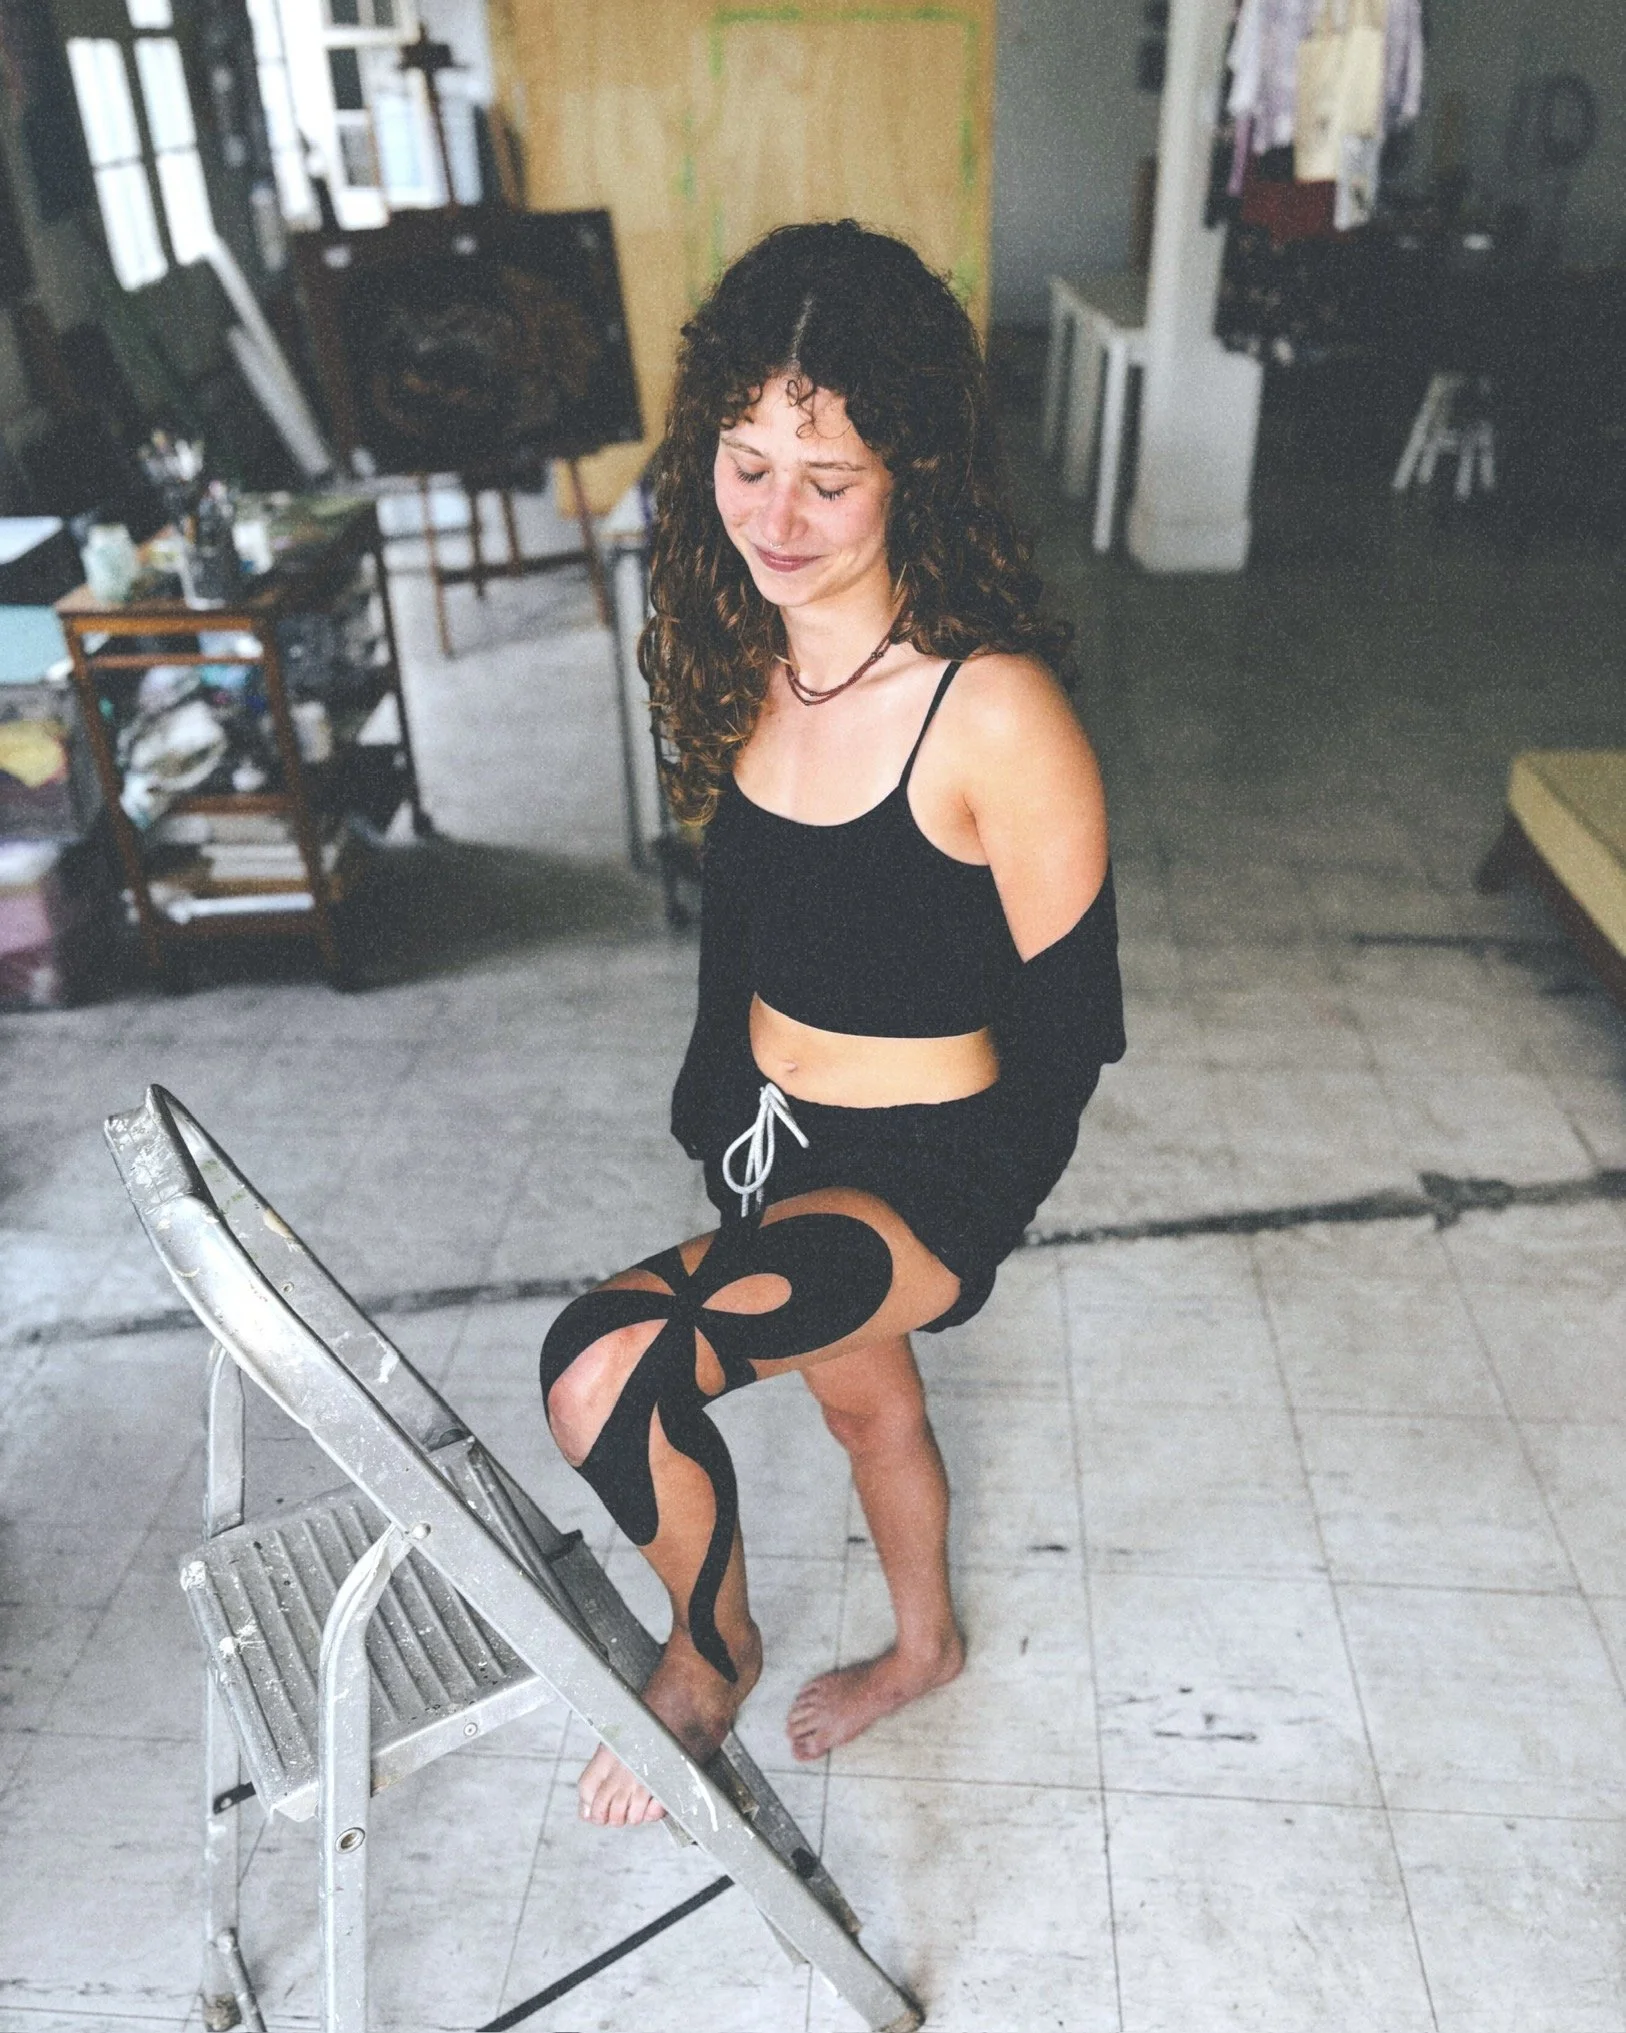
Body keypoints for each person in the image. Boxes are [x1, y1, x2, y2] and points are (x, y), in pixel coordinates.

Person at [540, 220, 1125, 1827]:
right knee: (865, 1408)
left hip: (932, 1168)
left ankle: (703, 1647)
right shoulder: (745, 664)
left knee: (605, 1367)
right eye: (742, 463)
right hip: (774, 1140)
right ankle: (921, 1645)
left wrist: (952, 1236)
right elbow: (744, 948)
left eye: (827, 476)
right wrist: (729, 1131)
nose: (774, 518)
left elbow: (1072, 1037)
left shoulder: (991, 710)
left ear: (913, 470)